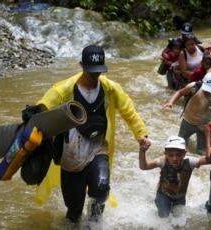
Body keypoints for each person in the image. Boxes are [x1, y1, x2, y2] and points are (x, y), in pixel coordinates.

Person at [36, 44, 150, 224]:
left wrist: (141, 134)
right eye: (91, 71)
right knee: (73, 213)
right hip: (71, 154)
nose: (96, 75)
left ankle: (95, 222)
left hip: (98, 149)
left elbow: (129, 112)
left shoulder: (110, 89)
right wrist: (33, 114)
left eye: (99, 71)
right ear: (81, 65)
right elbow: (44, 106)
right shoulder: (65, 89)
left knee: (101, 188)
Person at [138, 135, 211, 218]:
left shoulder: (190, 162)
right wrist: (142, 151)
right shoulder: (163, 161)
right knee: (164, 219)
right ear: (165, 154)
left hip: (180, 198)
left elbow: (210, 160)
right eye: (170, 155)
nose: (174, 158)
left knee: (179, 221)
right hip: (163, 195)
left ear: (184, 153)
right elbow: (144, 167)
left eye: (178, 155)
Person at [163, 72, 211, 154]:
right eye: (206, 89)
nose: (207, 92)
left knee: (201, 151)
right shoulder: (194, 87)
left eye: (210, 90)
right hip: (187, 121)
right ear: (202, 82)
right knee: (180, 145)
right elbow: (180, 92)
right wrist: (171, 102)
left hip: (204, 127)